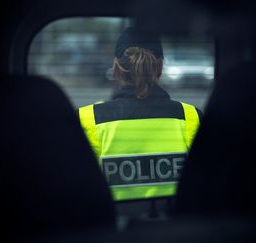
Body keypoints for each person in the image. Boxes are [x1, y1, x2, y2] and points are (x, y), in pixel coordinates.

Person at [78, 27, 202, 202]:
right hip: (175, 227)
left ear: (116, 68)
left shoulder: (86, 119)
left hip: (113, 228)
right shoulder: (192, 117)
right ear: (160, 67)